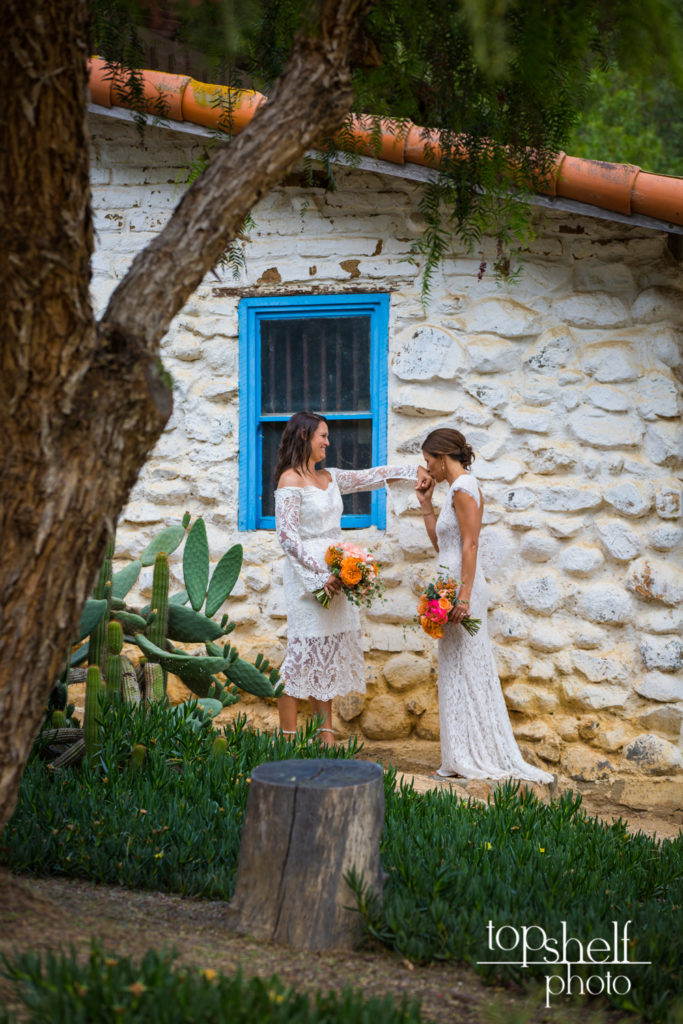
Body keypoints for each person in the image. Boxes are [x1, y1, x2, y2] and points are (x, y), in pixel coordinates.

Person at [274, 411, 427, 746]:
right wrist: (317, 579)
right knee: (301, 653)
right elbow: (286, 537)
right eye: (323, 436)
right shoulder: (289, 480)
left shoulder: (331, 478)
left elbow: (372, 476)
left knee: (324, 656)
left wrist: (411, 471)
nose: (328, 442)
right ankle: (285, 740)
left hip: (337, 573)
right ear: (304, 437)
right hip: (308, 577)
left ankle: (325, 737)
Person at [415, 427, 553, 784]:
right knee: (455, 672)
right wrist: (426, 505)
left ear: (443, 457)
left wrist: (463, 596)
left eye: (429, 460)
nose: (427, 467)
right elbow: (443, 545)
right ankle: (459, 756)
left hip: (463, 590)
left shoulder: (464, 489)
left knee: (470, 671)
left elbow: (471, 545)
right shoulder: (452, 492)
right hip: (449, 583)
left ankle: (477, 755)